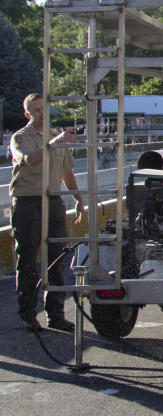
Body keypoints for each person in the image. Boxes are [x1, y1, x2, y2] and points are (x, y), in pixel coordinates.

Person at [9, 94, 85, 332]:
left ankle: (56, 314)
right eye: (35, 110)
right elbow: (30, 161)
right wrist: (55, 142)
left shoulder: (55, 137)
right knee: (28, 260)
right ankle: (28, 315)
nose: (41, 114)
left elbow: (66, 172)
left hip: (53, 201)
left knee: (57, 258)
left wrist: (78, 199)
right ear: (27, 114)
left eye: (43, 109)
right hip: (28, 202)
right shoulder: (21, 137)